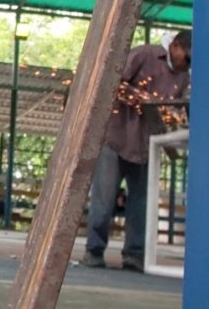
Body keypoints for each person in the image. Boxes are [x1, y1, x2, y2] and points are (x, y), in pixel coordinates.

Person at [81, 30, 192, 272]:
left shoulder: (183, 78)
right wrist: (142, 98)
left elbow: (175, 110)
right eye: (188, 58)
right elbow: (113, 81)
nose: (188, 65)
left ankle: (134, 254)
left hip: (146, 146)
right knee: (104, 199)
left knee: (141, 204)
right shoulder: (145, 55)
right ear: (176, 47)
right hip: (115, 138)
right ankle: (94, 249)